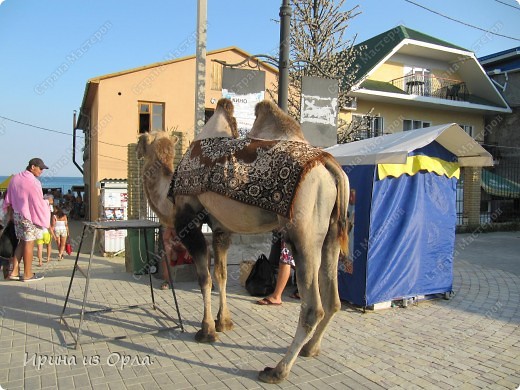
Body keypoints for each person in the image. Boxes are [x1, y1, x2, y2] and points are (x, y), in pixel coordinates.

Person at [3, 158, 51, 282]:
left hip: (17, 215)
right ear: (32, 167)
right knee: (29, 243)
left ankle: (14, 272)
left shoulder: (15, 178)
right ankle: (28, 274)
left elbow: (9, 198)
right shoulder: (33, 182)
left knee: (22, 242)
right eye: (40, 168)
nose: (42, 171)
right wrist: (47, 202)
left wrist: (11, 214)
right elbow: (37, 202)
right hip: (28, 217)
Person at [257, 236, 298, 306]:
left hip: (291, 228)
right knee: (300, 255)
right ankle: (303, 291)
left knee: (286, 258)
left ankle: (276, 296)